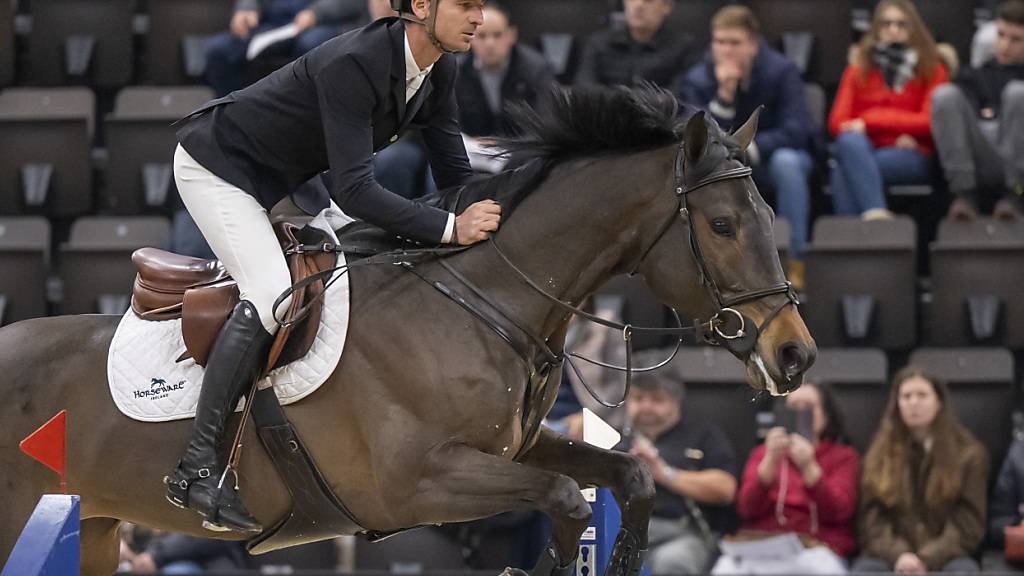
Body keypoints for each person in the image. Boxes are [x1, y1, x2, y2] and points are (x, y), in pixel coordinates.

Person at [165, 0, 501, 533]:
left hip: (286, 179)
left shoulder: (441, 66)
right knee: (273, 292)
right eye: (466, 5)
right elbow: (355, 189)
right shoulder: (357, 61)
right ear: (420, 6)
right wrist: (448, 229)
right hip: (221, 168)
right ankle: (197, 465)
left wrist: (499, 219)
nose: (480, 19)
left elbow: (455, 173)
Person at [680, 5, 815, 289]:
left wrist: (749, 148)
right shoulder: (698, 79)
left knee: (787, 163)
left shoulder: (782, 71)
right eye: (720, 42)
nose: (726, 50)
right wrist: (724, 97)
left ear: (753, 45)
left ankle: (794, 259)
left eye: (734, 43)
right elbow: (699, 138)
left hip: (772, 158)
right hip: (722, 163)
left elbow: (797, 130)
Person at [711, 382, 858, 575]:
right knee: (725, 570)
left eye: (809, 407)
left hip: (816, 548)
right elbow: (746, 509)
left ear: (826, 414)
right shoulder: (763, 453)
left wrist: (809, 468)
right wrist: (770, 463)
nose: (801, 413)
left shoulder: (843, 456)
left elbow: (839, 512)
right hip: (762, 547)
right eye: (794, 407)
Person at [853, 367, 989, 573]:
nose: (913, 402)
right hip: (890, 557)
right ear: (897, 404)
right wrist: (899, 555)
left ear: (939, 402)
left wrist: (927, 558)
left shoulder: (969, 455)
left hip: (948, 556)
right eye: (906, 396)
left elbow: (968, 523)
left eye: (922, 395)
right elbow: (871, 521)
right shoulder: (878, 455)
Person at [828, 0, 948, 220]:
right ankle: (876, 215)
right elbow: (838, 123)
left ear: (914, 29)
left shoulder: (933, 70)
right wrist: (891, 135)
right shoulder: (857, 70)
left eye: (901, 24)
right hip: (865, 149)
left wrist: (869, 123)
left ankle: (854, 247)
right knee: (849, 145)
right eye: (886, 24)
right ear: (876, 30)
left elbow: (929, 122)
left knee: (845, 166)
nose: (893, 30)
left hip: (912, 154)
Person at [623, 372, 737, 575]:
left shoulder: (703, 435)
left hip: (679, 533)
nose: (646, 406)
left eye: (657, 400)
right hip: (622, 532)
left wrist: (664, 473)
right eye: (638, 398)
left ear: (676, 402)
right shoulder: (615, 438)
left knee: (672, 563)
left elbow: (725, 488)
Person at [932, 0, 1024, 222]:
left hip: (1019, 169)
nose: (1004, 45)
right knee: (944, 95)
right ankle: (964, 195)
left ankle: (1016, 195)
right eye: (1001, 35)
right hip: (982, 156)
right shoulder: (975, 73)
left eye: (1016, 40)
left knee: (1017, 93)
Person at [205, 0, 368, 96]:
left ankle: (302, 124)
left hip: (323, 23)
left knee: (311, 46)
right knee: (219, 50)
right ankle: (230, 121)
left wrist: (317, 13)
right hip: (273, 23)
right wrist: (246, 7)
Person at [575, 0, 694, 89]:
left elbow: (679, 94)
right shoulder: (598, 42)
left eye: (649, 0)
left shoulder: (682, 47)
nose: (638, 5)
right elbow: (584, 85)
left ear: (667, 7)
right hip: (607, 116)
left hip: (658, 118)